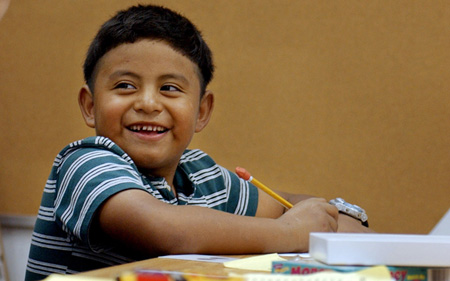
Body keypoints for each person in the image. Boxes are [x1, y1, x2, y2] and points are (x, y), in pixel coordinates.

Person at [25, 4, 372, 280]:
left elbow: (289, 206)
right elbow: (164, 230)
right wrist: (290, 233)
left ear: (202, 111)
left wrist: (328, 216)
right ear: (90, 105)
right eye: (125, 86)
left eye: (170, 89)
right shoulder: (86, 162)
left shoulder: (201, 174)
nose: (147, 103)